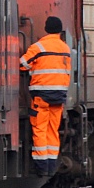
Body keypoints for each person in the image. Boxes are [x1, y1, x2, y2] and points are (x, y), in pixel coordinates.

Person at [20, 16, 71, 176]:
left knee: (40, 129)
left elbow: (22, 65)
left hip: (41, 95)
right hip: (59, 96)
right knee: (53, 130)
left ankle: (42, 167)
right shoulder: (65, 48)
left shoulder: (39, 47)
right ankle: (51, 165)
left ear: (47, 29)